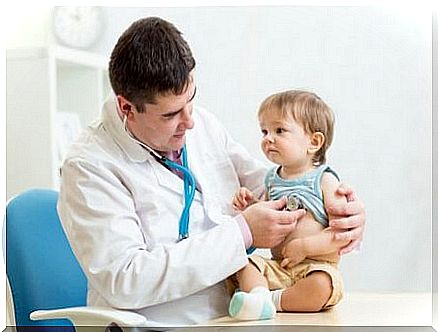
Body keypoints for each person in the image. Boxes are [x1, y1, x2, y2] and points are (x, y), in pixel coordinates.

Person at [57, 17, 365, 326]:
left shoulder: (201, 124)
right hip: (167, 323)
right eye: (170, 114)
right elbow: (125, 280)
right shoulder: (89, 167)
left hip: (244, 317)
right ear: (127, 108)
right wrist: (242, 232)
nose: (189, 121)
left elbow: (275, 183)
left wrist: (338, 211)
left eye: (190, 99)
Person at [228, 90, 352, 320]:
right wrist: (251, 205)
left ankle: (269, 301)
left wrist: (305, 247)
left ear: (314, 142)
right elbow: (265, 217)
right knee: (242, 262)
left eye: (279, 131)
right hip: (279, 267)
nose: (268, 138)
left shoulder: (325, 181)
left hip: (314, 267)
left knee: (323, 285)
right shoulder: (272, 179)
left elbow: (341, 234)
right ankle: (259, 294)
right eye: (264, 131)